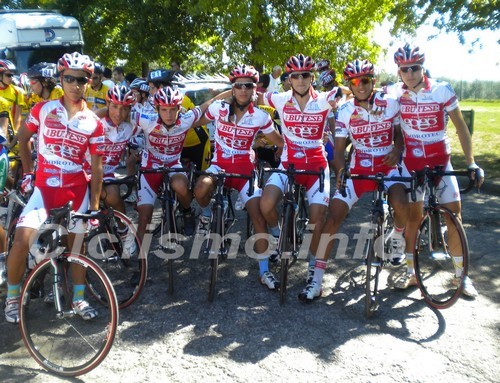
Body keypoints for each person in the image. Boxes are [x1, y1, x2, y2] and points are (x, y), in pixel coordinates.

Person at [4, 52, 104, 324]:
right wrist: (28, 172)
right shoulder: (42, 110)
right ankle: (13, 296)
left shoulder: (94, 123)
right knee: (23, 240)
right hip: (44, 188)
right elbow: (24, 139)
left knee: (77, 249)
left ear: (88, 81)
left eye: (81, 79)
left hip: (76, 190)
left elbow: (97, 168)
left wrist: (94, 208)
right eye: (69, 78)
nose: (75, 84)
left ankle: (79, 297)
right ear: (61, 79)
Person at [304, 59, 408, 302]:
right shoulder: (345, 110)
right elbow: (339, 151)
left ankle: (396, 235)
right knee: (332, 217)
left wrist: (398, 149)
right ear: (350, 83)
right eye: (354, 81)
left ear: (373, 81)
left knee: (401, 203)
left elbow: (399, 135)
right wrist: (340, 171)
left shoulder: (390, 104)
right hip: (358, 168)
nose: (360, 85)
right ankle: (317, 279)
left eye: (365, 80)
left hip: (387, 166)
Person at [389, 44, 484, 297]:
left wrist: (472, 162)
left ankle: (460, 276)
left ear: (423, 67)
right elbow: (359, 92)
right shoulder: (395, 93)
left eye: (415, 68)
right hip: (413, 165)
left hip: (441, 161)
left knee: (454, 215)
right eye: (404, 69)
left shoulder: (442, 89)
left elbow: (462, 128)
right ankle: (411, 273)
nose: (409, 74)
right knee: (413, 218)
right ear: (398, 71)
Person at [257, 54, 342, 300]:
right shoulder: (280, 99)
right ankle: (277, 233)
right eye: (296, 75)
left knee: (318, 220)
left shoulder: (323, 99)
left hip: (316, 167)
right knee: (266, 203)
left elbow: (342, 95)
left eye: (306, 75)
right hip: (288, 164)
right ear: (290, 78)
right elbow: (254, 94)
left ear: (312, 77)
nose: (301, 80)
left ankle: (315, 277)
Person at [193, 64, 284, 289]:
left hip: (245, 170)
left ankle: (264, 271)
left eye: (248, 86)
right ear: (233, 88)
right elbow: (193, 120)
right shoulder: (219, 109)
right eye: (238, 86)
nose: (243, 90)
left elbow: (279, 141)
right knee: (201, 189)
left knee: (258, 216)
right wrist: (222, 95)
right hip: (219, 166)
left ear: (254, 89)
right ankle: (206, 214)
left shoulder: (261, 116)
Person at [135, 86, 224, 247]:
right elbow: (118, 114)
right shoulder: (146, 120)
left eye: (173, 110)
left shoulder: (186, 119)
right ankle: (141, 262)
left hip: (173, 164)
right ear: (157, 109)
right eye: (164, 110)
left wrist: (233, 92)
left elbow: (209, 102)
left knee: (181, 186)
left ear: (179, 108)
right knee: (144, 217)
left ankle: (187, 211)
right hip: (150, 167)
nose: (169, 115)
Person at [92, 86, 138, 256]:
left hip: (109, 172)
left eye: (124, 108)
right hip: (86, 171)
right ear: (107, 104)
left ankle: (124, 232)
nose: (119, 113)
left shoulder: (131, 126)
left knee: (113, 196)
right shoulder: (95, 122)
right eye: (114, 106)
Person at [0, 60, 26, 147]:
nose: (12, 78)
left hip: (10, 135)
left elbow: (18, 118)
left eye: (12, 75)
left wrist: (14, 139)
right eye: (8, 75)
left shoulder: (17, 91)